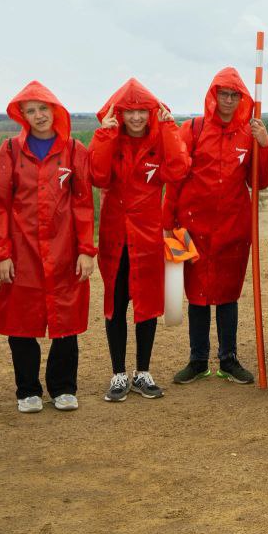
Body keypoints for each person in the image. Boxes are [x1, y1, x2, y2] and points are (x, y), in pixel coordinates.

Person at [0, 81, 97, 413]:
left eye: (43, 108)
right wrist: (1, 254)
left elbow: (83, 204)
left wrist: (86, 250)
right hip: (22, 252)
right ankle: (27, 389)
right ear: (22, 116)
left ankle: (63, 387)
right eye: (30, 111)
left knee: (66, 319)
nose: (38, 116)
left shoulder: (74, 150)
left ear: (55, 109)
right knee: (22, 321)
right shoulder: (9, 151)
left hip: (64, 249)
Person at [164, 68, 268, 387]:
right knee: (194, 293)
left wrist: (262, 145)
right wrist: (168, 225)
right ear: (213, 95)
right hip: (189, 226)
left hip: (233, 229)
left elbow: (260, 180)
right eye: (223, 93)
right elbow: (174, 177)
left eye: (234, 95)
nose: (228, 100)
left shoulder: (248, 132)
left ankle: (228, 359)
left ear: (242, 98)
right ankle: (197, 360)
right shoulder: (193, 128)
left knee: (227, 294)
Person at [90, 78, 190, 402]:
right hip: (115, 236)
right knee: (116, 305)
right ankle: (118, 373)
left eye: (142, 112)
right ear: (118, 114)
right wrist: (105, 134)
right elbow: (98, 176)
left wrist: (170, 128)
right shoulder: (109, 139)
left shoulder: (159, 142)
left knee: (147, 305)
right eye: (128, 112)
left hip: (147, 236)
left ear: (151, 114)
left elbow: (179, 169)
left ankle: (143, 371)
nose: (135, 118)